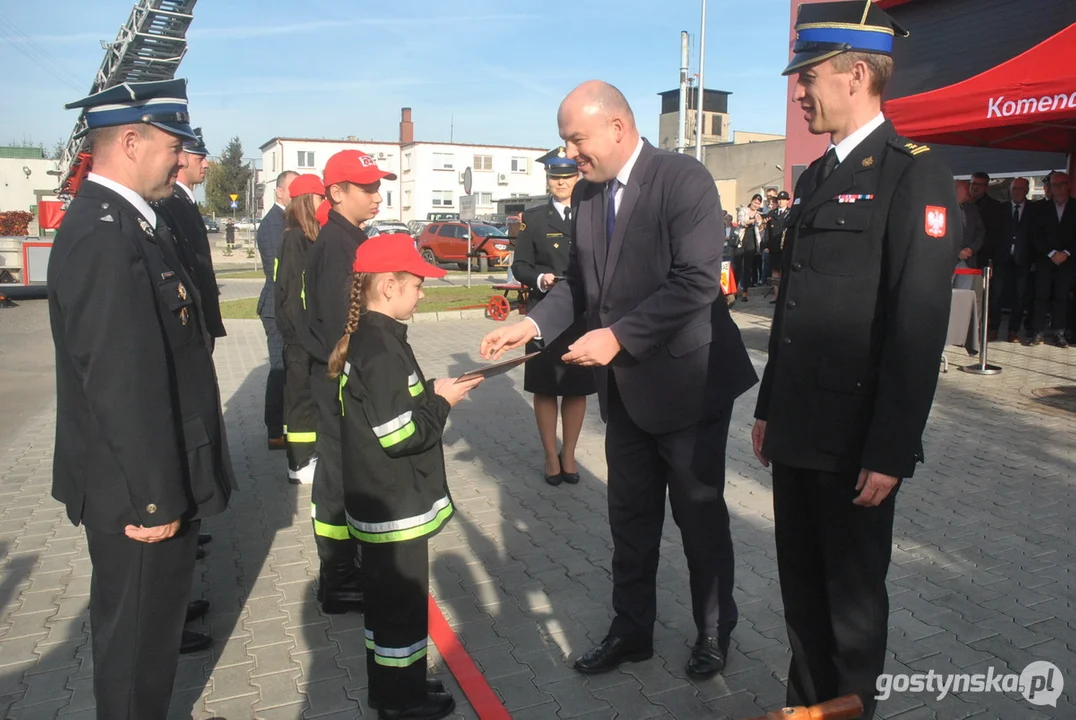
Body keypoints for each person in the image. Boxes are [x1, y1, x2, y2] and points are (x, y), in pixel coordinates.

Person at [480, 80, 757, 679]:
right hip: (625, 390)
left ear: (617, 127)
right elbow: (579, 284)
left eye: (577, 140)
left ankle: (714, 631)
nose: (572, 154)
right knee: (628, 519)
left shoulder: (682, 180)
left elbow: (695, 281)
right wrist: (529, 325)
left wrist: (619, 336)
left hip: (689, 385)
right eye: (565, 143)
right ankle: (631, 630)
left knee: (698, 518)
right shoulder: (585, 196)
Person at [751, 3, 959, 717]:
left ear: (857, 74)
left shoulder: (914, 177)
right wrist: (769, 404)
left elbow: (918, 325)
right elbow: (794, 308)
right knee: (801, 598)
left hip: (856, 444)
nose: (799, 93)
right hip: (799, 431)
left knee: (852, 612)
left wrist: (892, 448)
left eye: (808, 77)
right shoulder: (815, 179)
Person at [47, 78, 236, 719]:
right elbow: (119, 380)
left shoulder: (129, 221)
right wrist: (157, 496)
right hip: (137, 493)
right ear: (131, 140)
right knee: (135, 655)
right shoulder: (106, 233)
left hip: (144, 475)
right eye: (171, 143)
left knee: (148, 646)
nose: (179, 158)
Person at [331, 234, 480, 720]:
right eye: (417, 285)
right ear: (388, 286)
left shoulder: (378, 337)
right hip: (394, 507)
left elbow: (393, 405)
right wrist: (443, 402)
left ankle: (399, 684)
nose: (423, 294)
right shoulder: (381, 350)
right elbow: (401, 436)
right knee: (400, 608)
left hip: (384, 502)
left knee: (390, 607)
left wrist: (434, 389)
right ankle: (401, 702)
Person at [302, 150, 395, 614]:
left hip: (339, 378)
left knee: (342, 476)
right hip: (340, 380)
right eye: (367, 188)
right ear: (337, 193)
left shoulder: (347, 239)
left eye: (378, 186)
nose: (377, 195)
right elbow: (345, 329)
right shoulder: (339, 247)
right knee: (337, 481)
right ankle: (338, 578)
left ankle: (340, 571)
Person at [510, 146, 596, 486]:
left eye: (567, 177)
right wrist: (538, 279)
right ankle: (550, 455)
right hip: (543, 313)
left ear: (578, 178)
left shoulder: (592, 212)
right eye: (554, 178)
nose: (560, 183)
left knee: (576, 389)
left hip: (581, 315)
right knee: (545, 388)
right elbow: (520, 265)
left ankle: (569, 454)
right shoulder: (533, 217)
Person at [274, 173, 326, 484]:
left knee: (306, 398)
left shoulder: (302, 237)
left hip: (304, 334)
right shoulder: (295, 239)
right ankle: (300, 462)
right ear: (308, 201)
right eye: (321, 198)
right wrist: (304, 336)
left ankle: (307, 455)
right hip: (300, 337)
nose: (325, 205)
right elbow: (294, 293)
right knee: (300, 401)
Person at [156, 126, 226, 348]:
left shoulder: (184, 201)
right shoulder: (172, 203)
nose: (205, 164)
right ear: (182, 158)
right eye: (200, 158)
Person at [258, 170, 298, 450]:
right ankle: (274, 430)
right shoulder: (274, 223)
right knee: (279, 368)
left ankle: (285, 423)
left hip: (286, 304)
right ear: (279, 192)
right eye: (292, 189)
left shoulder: (287, 220)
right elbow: (279, 272)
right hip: (276, 307)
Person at [990, 177, 1034, 343]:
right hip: (1001, 258)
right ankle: (993, 328)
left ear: (1026, 190)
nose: (1016, 192)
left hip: (1023, 259)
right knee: (996, 295)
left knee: (1019, 296)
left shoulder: (1033, 210)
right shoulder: (1001, 209)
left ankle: (1013, 331)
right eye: (1014, 188)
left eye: (1020, 189)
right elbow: (993, 234)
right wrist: (991, 258)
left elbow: (1035, 234)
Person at [953, 180, 984, 291]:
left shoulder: (972, 209)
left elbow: (980, 231)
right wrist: (957, 252)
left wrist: (971, 249)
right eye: (966, 189)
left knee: (963, 297)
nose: (969, 192)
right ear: (959, 190)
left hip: (968, 262)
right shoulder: (943, 208)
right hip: (949, 261)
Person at [736, 194, 765, 301]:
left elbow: (760, 228)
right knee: (738, 266)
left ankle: (745, 292)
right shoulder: (744, 210)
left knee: (748, 267)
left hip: (752, 241)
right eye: (755, 202)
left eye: (758, 203)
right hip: (741, 241)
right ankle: (734, 290)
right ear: (751, 201)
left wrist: (761, 222)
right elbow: (741, 222)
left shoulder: (759, 214)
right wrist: (752, 220)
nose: (756, 205)